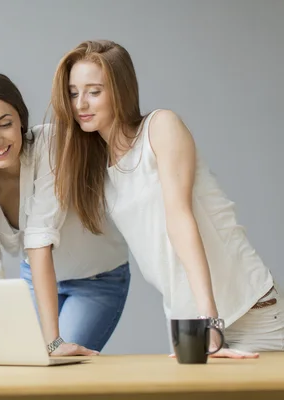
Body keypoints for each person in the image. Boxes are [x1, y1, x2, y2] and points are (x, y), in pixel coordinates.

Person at [49, 39, 283, 357]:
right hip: (187, 321)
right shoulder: (98, 168)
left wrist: (210, 322)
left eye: (94, 91)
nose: (80, 104)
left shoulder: (160, 127)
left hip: (246, 311)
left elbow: (179, 218)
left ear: (121, 90)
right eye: (74, 93)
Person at [0, 72, 131, 355]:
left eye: (5, 124)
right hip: (34, 279)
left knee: (57, 371)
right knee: (26, 367)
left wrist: (53, 342)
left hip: (96, 280)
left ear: (21, 118)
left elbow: (39, 239)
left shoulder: (51, 144)